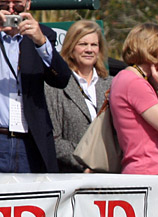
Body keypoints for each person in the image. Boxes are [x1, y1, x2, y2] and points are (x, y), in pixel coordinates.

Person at [0, 0, 71, 173]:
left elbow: (61, 79)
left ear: (28, 5)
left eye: (17, 4)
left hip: (29, 140)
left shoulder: (42, 35)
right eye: (3, 3)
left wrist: (41, 43)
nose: (10, 10)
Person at [108, 23, 158, 175]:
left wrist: (157, 84)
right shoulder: (134, 82)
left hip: (146, 170)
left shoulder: (129, 78)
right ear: (153, 48)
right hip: (149, 171)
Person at [43, 19, 110, 172]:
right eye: (83, 44)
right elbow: (53, 139)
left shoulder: (111, 84)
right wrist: (85, 163)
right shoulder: (55, 85)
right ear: (71, 47)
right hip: (73, 177)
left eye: (94, 45)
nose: (89, 49)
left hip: (110, 174)